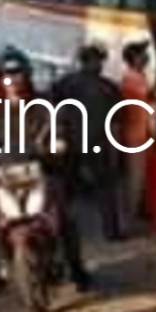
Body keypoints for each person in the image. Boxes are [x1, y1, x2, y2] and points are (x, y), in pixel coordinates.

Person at [0, 47, 94, 289]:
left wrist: (58, 144)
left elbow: (59, 131)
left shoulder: (45, 106)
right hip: (6, 177)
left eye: (17, 74)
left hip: (44, 173)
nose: (12, 81)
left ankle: (76, 270)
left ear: (27, 76)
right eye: (6, 75)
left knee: (65, 217)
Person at [47, 43, 125, 243]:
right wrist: (115, 152)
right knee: (105, 189)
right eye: (100, 60)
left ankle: (61, 231)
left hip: (71, 144)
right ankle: (112, 232)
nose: (101, 65)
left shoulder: (64, 83)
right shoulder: (110, 88)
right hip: (98, 144)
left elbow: (51, 111)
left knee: (66, 190)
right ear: (96, 62)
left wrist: (57, 138)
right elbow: (115, 125)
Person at [116, 40, 155, 230]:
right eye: (143, 54)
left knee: (138, 179)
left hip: (139, 135)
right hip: (135, 136)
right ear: (135, 58)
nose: (147, 57)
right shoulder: (133, 79)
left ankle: (134, 215)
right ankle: (128, 222)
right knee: (135, 180)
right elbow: (153, 96)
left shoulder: (138, 76)